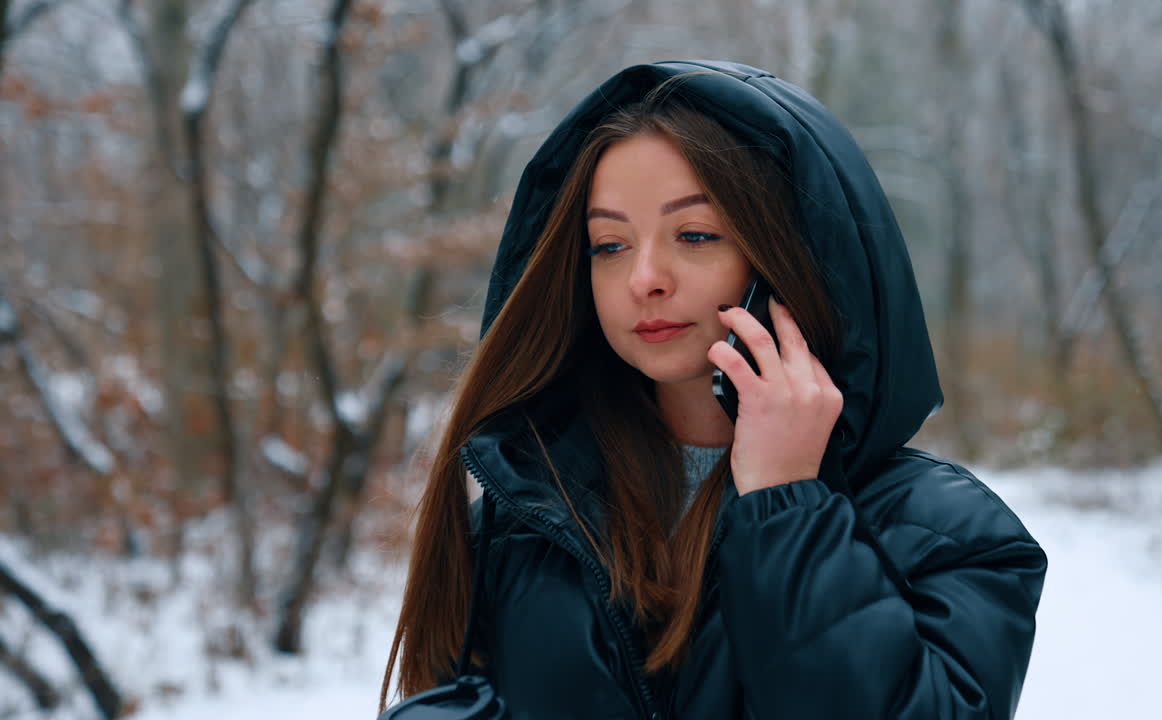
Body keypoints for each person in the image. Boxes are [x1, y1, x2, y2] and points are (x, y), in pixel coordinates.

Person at [381, 60, 1047, 720]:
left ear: (795, 259)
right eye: (608, 245)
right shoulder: (521, 511)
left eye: (695, 235)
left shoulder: (948, 537)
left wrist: (788, 505)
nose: (644, 278)